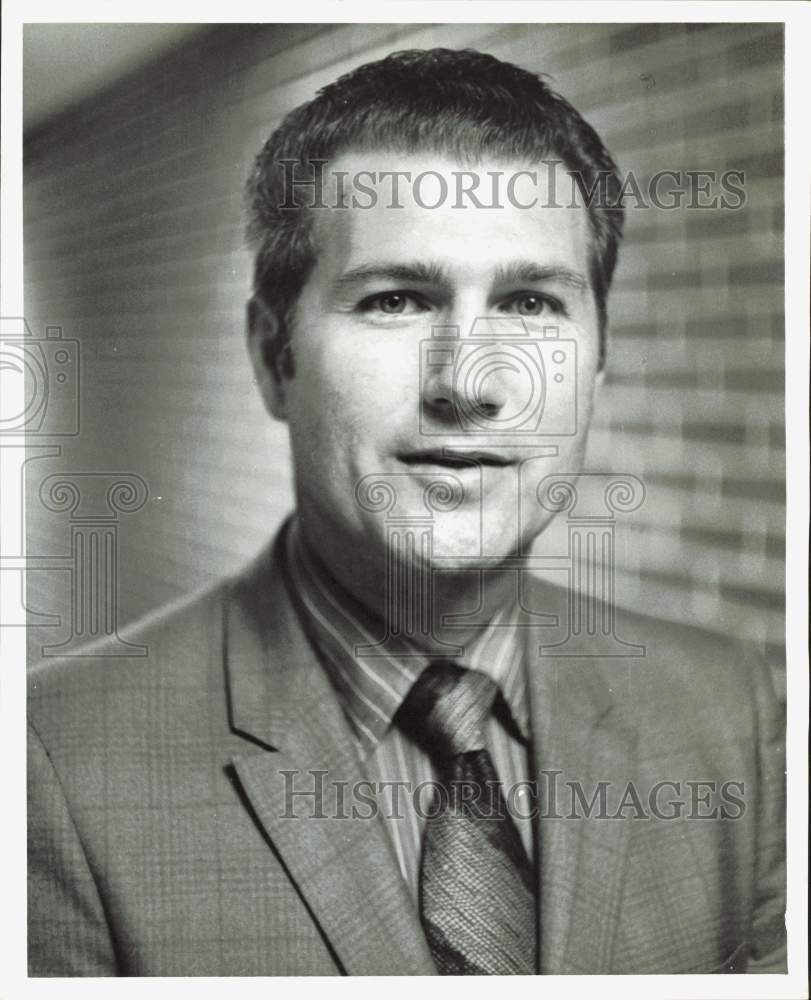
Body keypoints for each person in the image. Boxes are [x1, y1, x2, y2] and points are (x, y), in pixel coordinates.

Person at [27, 47, 786, 976]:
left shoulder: (727, 713)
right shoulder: (49, 766)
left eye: (530, 303)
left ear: (595, 360)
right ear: (275, 358)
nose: (468, 382)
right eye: (395, 299)